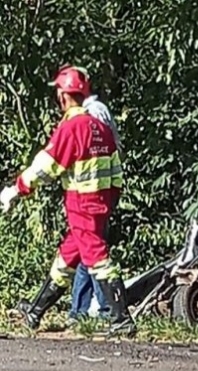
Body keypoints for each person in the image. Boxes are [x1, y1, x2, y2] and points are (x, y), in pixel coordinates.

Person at [0, 66, 136, 337]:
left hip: (81, 205)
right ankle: (35, 312)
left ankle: (121, 319)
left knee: (98, 260)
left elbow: (45, 166)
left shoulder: (72, 127)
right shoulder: (100, 127)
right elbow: (116, 172)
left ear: (62, 95)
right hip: (100, 203)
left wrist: (16, 189)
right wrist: (109, 200)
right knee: (66, 260)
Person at [51, 65, 124, 326]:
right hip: (94, 198)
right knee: (77, 254)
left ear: (64, 94)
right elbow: (114, 156)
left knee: (93, 256)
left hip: (86, 200)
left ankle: (113, 314)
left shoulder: (83, 120)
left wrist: (18, 189)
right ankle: (51, 311)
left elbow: (50, 162)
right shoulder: (94, 117)